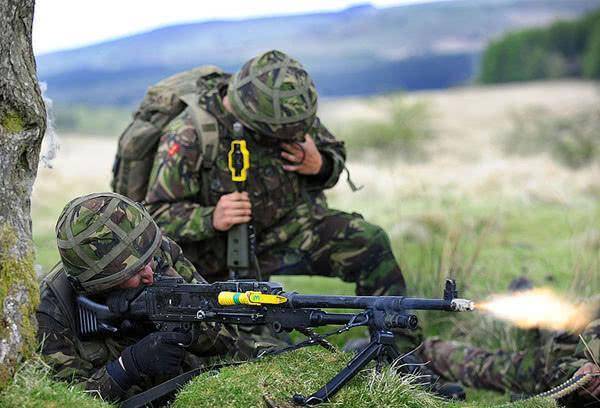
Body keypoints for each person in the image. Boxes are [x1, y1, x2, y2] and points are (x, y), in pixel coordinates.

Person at [143, 49, 407, 300]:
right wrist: (211, 217)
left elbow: (333, 154)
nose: (293, 135)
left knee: (369, 242)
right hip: (221, 257)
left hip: (288, 231)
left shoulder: (288, 109)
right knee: (261, 344)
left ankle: (398, 343)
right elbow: (155, 215)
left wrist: (320, 165)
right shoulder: (189, 134)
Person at [36, 192, 265, 402]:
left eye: (149, 259)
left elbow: (226, 340)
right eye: (133, 272)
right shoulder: (52, 309)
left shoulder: (157, 254)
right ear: (101, 285)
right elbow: (68, 400)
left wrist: (187, 324)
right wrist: (128, 367)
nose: (149, 272)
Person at [420, 318, 600, 407]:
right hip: (555, 363)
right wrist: (586, 367)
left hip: (566, 353)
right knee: (483, 366)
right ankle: (424, 350)